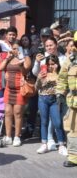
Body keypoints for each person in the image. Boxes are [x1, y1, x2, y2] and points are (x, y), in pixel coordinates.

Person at [0, 42, 31, 147]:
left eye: (17, 48)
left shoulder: (26, 58)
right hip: (9, 89)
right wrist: (7, 58)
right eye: (13, 48)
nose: (14, 50)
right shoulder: (9, 58)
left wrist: (20, 60)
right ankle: (8, 137)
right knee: (8, 112)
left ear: (21, 49)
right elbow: (0, 68)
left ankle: (17, 136)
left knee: (18, 113)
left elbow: (26, 71)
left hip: (19, 89)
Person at [35, 55, 67, 155]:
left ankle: (62, 145)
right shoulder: (43, 73)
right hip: (43, 98)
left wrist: (55, 72)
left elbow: (62, 86)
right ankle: (44, 144)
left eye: (52, 64)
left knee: (57, 122)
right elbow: (36, 87)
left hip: (54, 100)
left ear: (56, 64)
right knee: (44, 122)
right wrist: (39, 79)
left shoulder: (59, 74)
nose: (50, 66)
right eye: (48, 64)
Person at [56, 39, 77, 167]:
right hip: (73, 103)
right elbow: (62, 78)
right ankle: (74, 157)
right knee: (73, 131)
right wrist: (59, 93)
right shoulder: (70, 60)